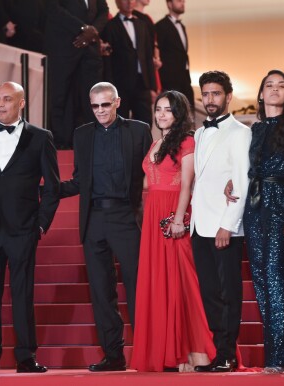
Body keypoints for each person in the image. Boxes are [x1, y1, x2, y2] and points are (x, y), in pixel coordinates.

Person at [60, 82, 152, 372]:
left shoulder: (139, 130)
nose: (100, 111)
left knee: (138, 287)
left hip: (127, 217)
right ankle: (113, 355)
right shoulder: (82, 134)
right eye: (95, 106)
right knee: (101, 290)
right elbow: (78, 179)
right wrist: (46, 191)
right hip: (94, 219)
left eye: (105, 105)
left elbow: (156, 170)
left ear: (117, 102)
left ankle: (147, 352)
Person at [0, 82, 60, 374]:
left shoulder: (40, 137)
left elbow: (52, 187)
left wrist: (41, 224)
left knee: (23, 293)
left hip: (23, 228)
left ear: (21, 103)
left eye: (7, 99)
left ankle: (25, 356)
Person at [226, 70, 284, 373]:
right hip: (253, 204)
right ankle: (272, 357)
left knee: (274, 275)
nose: (274, 90)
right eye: (269, 86)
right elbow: (244, 168)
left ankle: (280, 359)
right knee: (260, 278)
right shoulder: (254, 129)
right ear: (260, 94)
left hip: (280, 202)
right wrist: (232, 183)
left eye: (280, 85)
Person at [131, 91, 213, 372]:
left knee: (180, 280)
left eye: (168, 110)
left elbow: (187, 184)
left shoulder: (186, 141)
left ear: (179, 113)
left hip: (173, 214)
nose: (162, 114)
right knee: (159, 281)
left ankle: (190, 352)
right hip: (153, 214)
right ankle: (166, 350)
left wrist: (179, 219)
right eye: (158, 109)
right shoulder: (156, 142)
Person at [190, 71, 251, 372]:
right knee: (210, 293)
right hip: (200, 225)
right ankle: (219, 354)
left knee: (229, 292)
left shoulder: (241, 132)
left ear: (228, 96)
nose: (210, 99)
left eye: (216, 94)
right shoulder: (199, 133)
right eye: (206, 94)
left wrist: (228, 224)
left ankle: (227, 354)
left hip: (224, 227)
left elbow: (241, 181)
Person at [44, 0, 109, 149]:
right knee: (60, 96)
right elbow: (53, 8)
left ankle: (91, 141)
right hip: (65, 46)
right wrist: (81, 28)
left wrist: (93, 31)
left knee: (92, 96)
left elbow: (103, 11)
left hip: (90, 49)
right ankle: (60, 143)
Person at [101, 0, 156, 126]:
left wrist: (152, 87)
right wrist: (110, 88)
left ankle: (144, 147)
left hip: (142, 83)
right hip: (120, 84)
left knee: (145, 122)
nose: (129, 2)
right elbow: (108, 61)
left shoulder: (142, 25)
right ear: (117, 2)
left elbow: (148, 57)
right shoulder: (110, 26)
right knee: (120, 123)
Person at [155, 0, 194, 108]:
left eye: (183, 1)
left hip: (185, 78)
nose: (183, 3)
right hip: (170, 81)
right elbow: (158, 53)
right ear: (169, 4)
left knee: (189, 111)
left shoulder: (182, 26)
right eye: (179, 1)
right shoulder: (160, 26)